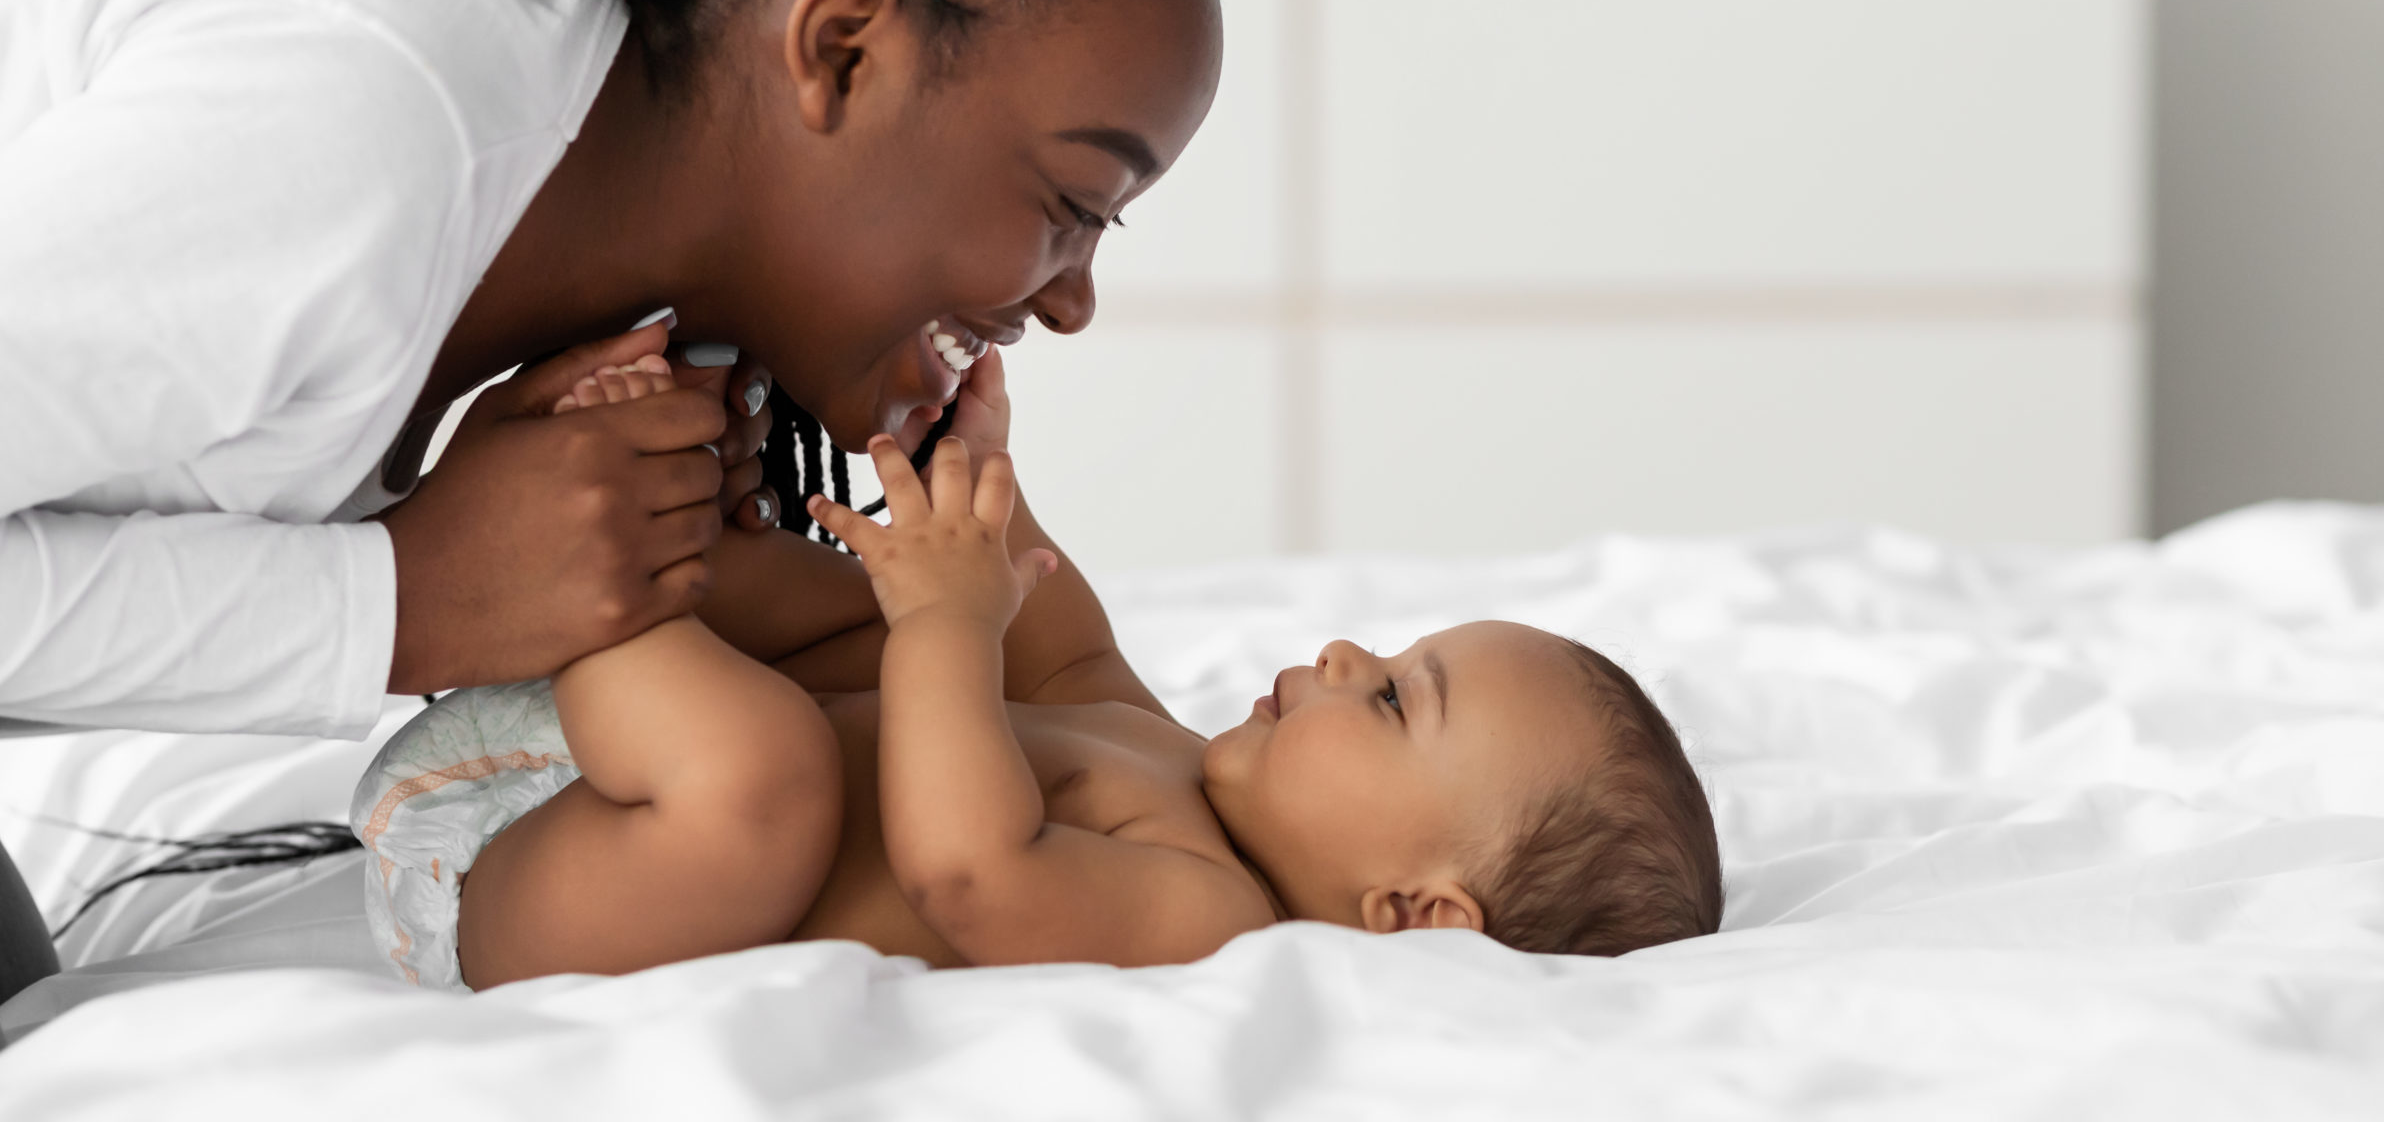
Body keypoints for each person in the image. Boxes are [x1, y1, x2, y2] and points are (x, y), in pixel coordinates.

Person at [0, 0, 1218, 1058]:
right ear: (841, 48)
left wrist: (420, 567)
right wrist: (395, 605)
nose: (1080, 298)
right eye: (1074, 200)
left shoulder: (489, 204)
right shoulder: (345, 154)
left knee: (10, 1019)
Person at [352, 353, 1724, 988]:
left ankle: (589, 579)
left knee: (778, 770)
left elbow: (972, 872)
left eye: (1392, 700)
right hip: (592, 754)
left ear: (1414, 914)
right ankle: (653, 533)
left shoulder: (1208, 920)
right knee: (873, 603)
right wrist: (974, 469)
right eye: (1395, 651)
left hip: (518, 867)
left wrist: (948, 630)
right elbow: (1050, 632)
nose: (1349, 652)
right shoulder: (1178, 755)